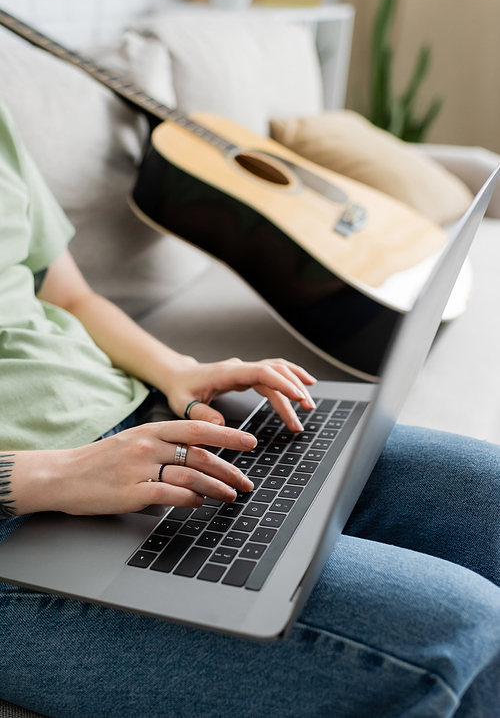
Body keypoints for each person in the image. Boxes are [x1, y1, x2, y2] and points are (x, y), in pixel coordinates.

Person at [1, 94, 500, 718]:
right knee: (463, 632)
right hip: (22, 512)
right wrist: (52, 473)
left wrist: (179, 370)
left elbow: (68, 293)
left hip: (148, 420)